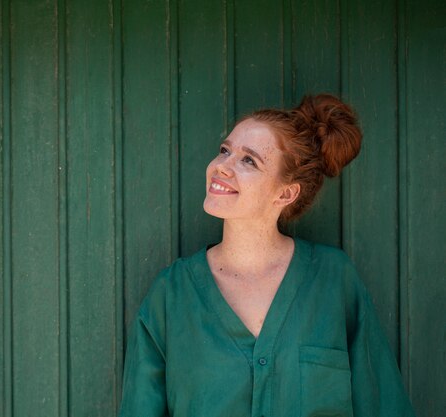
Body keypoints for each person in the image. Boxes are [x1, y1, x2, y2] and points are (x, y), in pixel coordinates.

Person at [118, 94, 415, 417]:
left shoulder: (333, 280)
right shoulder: (171, 294)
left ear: (286, 193)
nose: (221, 167)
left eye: (249, 161)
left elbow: (384, 405)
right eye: (225, 151)